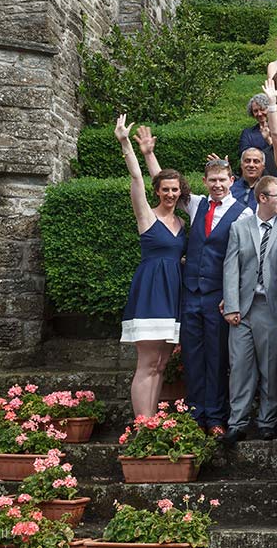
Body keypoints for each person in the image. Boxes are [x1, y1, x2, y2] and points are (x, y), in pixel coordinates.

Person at [135, 126, 252, 435]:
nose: (217, 185)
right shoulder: (197, 204)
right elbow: (164, 183)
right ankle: (195, 415)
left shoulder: (243, 214)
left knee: (216, 358)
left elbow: (244, 261)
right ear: (204, 181)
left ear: (232, 181)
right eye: (212, 180)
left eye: (222, 180)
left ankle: (215, 417)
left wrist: (233, 296)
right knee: (192, 356)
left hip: (217, 296)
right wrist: (149, 154)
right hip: (189, 294)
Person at [114, 115, 186, 420]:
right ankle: (142, 425)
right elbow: (137, 179)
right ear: (157, 191)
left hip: (173, 294)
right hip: (151, 291)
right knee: (146, 363)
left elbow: (162, 176)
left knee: (161, 364)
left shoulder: (181, 220)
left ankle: (152, 422)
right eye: (165, 190)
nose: (169, 194)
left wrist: (151, 154)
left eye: (174, 190)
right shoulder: (147, 216)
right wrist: (126, 143)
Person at [221, 176, 277, 444]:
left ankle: (267, 421)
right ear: (263, 198)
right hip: (243, 308)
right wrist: (231, 305)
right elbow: (231, 267)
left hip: (271, 307)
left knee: (271, 366)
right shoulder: (239, 228)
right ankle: (237, 423)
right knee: (239, 366)